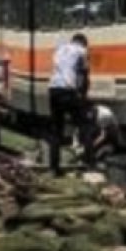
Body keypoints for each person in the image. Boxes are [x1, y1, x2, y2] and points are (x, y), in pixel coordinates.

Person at [47, 33, 91, 177]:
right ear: (83, 43)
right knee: (84, 125)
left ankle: (54, 167)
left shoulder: (60, 49)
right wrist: (83, 97)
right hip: (68, 91)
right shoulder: (82, 51)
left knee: (56, 130)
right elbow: (84, 76)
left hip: (53, 89)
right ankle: (89, 163)